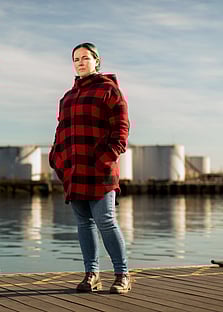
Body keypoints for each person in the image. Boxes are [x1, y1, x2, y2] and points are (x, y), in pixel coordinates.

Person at [49, 42, 131, 294]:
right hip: (75, 169)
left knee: (106, 220)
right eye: (76, 59)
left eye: (85, 58)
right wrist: (57, 157)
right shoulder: (68, 97)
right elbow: (61, 131)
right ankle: (92, 275)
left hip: (100, 168)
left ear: (97, 60)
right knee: (84, 224)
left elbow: (121, 129)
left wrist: (107, 156)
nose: (80, 62)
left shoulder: (109, 91)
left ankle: (122, 275)